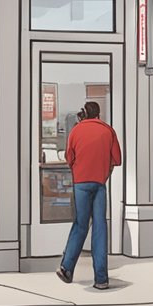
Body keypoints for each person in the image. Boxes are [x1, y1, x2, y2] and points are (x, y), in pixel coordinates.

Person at [57, 101, 122, 290]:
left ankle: (67, 268)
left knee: (80, 225)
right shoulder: (108, 131)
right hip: (100, 184)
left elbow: (69, 157)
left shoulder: (76, 131)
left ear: (82, 114)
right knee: (100, 227)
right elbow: (117, 159)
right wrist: (104, 167)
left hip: (81, 183)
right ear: (99, 114)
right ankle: (101, 279)